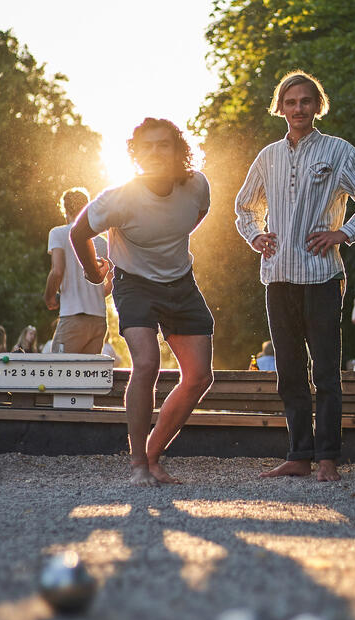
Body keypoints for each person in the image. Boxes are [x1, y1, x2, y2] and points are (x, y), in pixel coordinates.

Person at [235, 70, 355, 482]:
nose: (298, 109)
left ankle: (327, 458)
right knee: (288, 371)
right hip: (278, 277)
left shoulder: (338, 152)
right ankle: (298, 455)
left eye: (306, 101)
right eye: (290, 102)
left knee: (325, 371)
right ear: (280, 107)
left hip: (322, 277)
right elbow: (244, 207)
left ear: (317, 105)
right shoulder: (267, 156)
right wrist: (255, 236)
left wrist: (346, 232)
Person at [70, 117, 214, 486]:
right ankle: (137, 465)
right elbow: (79, 231)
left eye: (163, 144)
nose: (154, 152)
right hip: (134, 285)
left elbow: (195, 216)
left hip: (181, 283)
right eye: (146, 146)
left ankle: (153, 456)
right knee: (147, 362)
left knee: (199, 376)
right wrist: (92, 273)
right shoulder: (118, 198)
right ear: (135, 153)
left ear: (179, 150)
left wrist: (165, 248)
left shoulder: (197, 185)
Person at [44, 187, 113, 354]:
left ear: (65, 210)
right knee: (87, 376)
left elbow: (57, 271)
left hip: (73, 317)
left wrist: (49, 296)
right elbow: (112, 281)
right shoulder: (102, 243)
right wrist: (95, 293)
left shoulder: (58, 233)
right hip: (98, 320)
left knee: (59, 373)